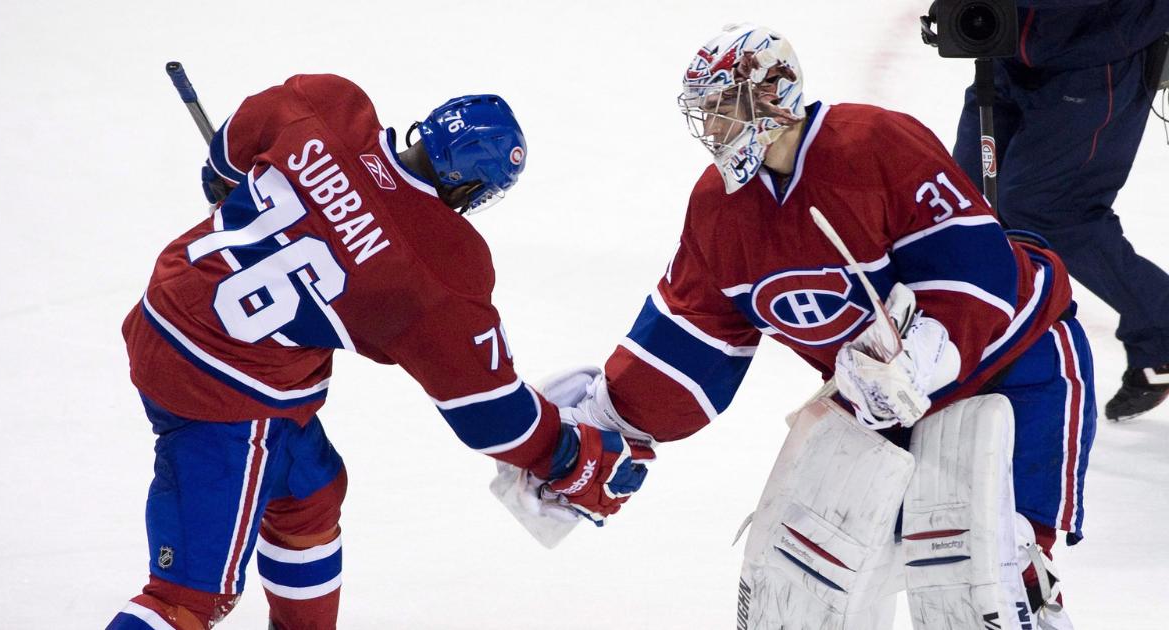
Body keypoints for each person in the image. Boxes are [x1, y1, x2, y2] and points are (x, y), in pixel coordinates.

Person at [548, 24, 1095, 627]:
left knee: (992, 567)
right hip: (882, 406)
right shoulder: (720, 209)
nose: (714, 129)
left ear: (776, 96)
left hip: (1017, 364)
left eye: (726, 107)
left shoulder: (874, 143)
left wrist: (924, 355)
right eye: (706, 112)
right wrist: (604, 425)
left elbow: (971, 266)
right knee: (805, 579)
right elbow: (688, 335)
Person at [106, 74, 652, 630]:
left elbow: (223, 163)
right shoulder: (440, 268)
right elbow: (488, 414)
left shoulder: (321, 103)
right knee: (185, 601)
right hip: (226, 387)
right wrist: (565, 452)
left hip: (169, 309)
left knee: (309, 493)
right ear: (471, 192)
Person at [950, 0, 1169, 421]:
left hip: (1095, 57)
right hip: (1005, 43)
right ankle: (973, 348)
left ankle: (1161, 329)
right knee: (967, 202)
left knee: (1052, 210)